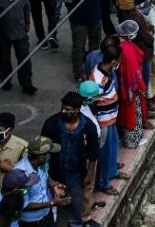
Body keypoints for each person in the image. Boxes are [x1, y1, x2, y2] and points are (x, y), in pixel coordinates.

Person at [41, 92, 99, 227]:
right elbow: (43, 147)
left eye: (68, 109)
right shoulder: (51, 124)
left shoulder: (88, 126)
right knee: (51, 205)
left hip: (76, 174)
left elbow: (93, 153)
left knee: (76, 205)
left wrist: (90, 173)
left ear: (77, 110)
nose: (63, 111)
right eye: (63, 107)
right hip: (55, 172)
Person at [63, 0, 106, 82]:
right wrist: (74, 18)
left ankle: (93, 71)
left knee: (95, 47)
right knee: (78, 48)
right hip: (79, 22)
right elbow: (68, 1)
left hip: (95, 19)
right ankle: (78, 74)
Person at [89, 41, 122, 197]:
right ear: (114, 61)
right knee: (105, 151)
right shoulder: (97, 79)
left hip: (111, 118)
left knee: (113, 146)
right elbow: (93, 103)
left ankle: (112, 170)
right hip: (104, 122)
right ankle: (103, 183)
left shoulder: (106, 72)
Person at [12, 136, 68, 227]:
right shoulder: (22, 175)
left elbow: (45, 174)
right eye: (49, 153)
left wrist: (53, 184)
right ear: (41, 157)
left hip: (46, 215)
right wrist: (52, 203)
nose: (51, 156)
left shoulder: (41, 163)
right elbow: (22, 205)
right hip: (31, 222)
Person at [115, 20, 150, 150]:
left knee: (125, 114)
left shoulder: (119, 44)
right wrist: (141, 87)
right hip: (130, 88)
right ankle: (132, 141)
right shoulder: (127, 49)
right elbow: (133, 71)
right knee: (133, 115)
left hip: (122, 85)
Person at [0, 113, 28, 200]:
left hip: (12, 196)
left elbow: (30, 177)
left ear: (9, 130)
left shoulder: (22, 148)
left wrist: (11, 169)